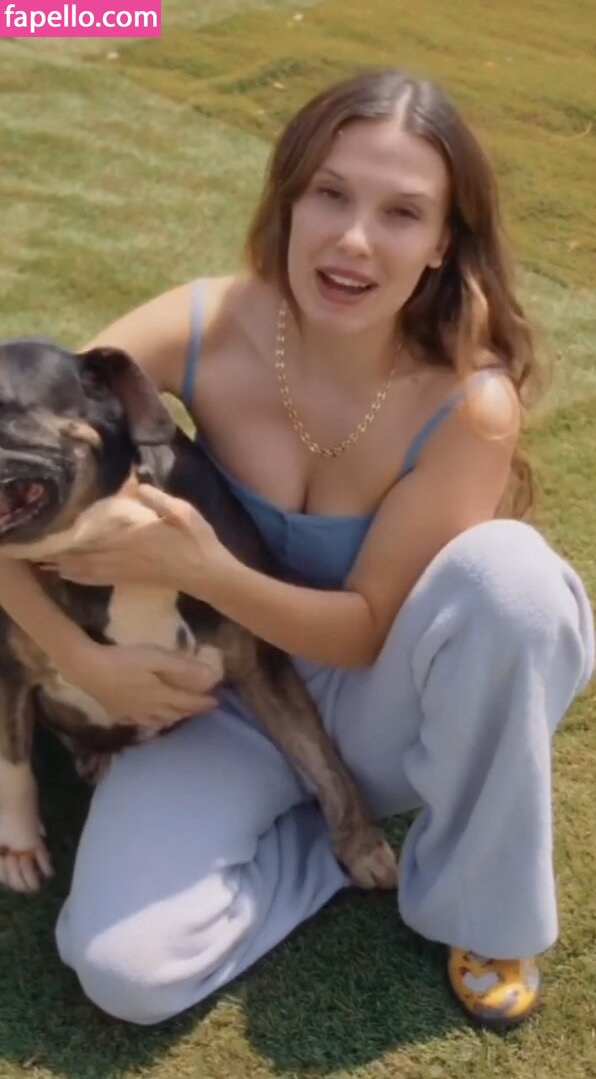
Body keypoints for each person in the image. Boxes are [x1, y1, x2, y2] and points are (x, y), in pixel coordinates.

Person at [0, 68, 593, 1030]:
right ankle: (328, 839)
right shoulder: (208, 322)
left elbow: (364, 631)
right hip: (214, 707)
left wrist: (201, 570)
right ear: (288, 198)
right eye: (331, 193)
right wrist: (79, 657)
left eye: (402, 212)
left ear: (443, 241)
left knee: (514, 582)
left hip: (385, 702)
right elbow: (22, 470)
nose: (353, 239)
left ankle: (483, 908)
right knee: (124, 970)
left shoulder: (468, 401)